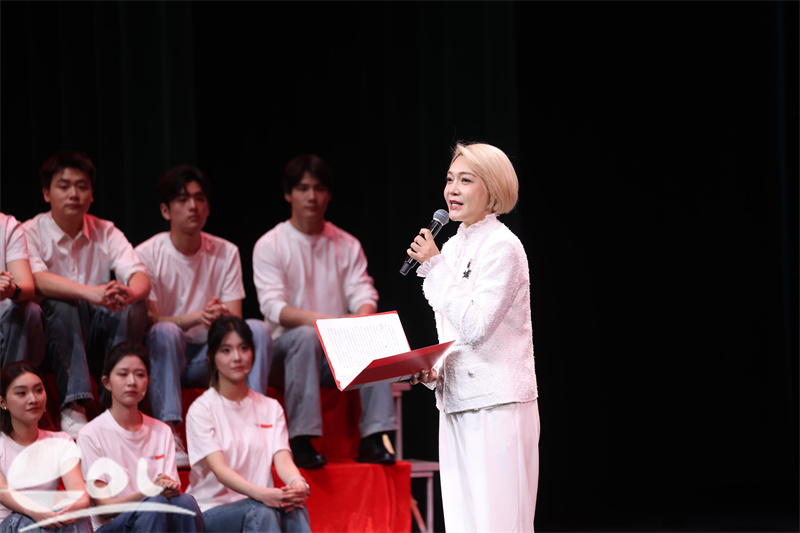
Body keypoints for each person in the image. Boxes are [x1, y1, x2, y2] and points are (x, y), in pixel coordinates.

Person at [406, 142, 540, 532]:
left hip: (497, 405)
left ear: (493, 189)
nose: (453, 189)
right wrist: (434, 370)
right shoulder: (451, 246)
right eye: (450, 179)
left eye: (466, 180)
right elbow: (454, 333)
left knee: (498, 523)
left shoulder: (503, 246)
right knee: (464, 524)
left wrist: (434, 266)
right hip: (456, 403)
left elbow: (477, 327)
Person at [252, 154, 396, 469]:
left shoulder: (346, 243)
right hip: (285, 353)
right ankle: (301, 440)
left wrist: (362, 319)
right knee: (306, 336)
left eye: (319, 189)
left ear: (329, 195)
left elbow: (363, 293)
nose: (312, 197)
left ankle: (375, 437)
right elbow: (273, 307)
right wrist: (329, 323)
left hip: (333, 353)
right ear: (289, 194)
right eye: (303, 188)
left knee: (374, 328)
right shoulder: (270, 244)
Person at [135, 164, 272, 467]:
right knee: (165, 332)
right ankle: (169, 431)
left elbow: (235, 322)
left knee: (258, 330)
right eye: (183, 199)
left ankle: (254, 421)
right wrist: (198, 317)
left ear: (208, 208)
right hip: (166, 358)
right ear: (165, 210)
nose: (193, 206)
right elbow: (150, 320)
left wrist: (219, 317)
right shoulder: (147, 253)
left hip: (209, 358)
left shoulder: (226, 251)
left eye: (199, 199)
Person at [23, 150, 150, 439]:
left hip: (95, 330)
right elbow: (37, 280)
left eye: (82, 186)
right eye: (64, 186)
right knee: (64, 303)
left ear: (91, 195)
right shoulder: (30, 231)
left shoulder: (106, 230)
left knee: (134, 306)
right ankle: (74, 405)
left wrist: (129, 293)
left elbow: (139, 275)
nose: (74, 194)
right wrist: (90, 293)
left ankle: (115, 403)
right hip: (50, 333)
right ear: (46, 193)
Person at [185, 316, 310, 532]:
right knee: (260, 511)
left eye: (244, 348)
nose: (237, 357)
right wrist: (261, 494)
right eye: (226, 350)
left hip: (260, 505)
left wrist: (298, 483)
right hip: (211, 511)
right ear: (211, 358)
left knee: (294, 507)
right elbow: (221, 471)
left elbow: (283, 460)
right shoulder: (201, 410)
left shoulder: (270, 407)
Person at [76, 341, 204, 532]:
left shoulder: (162, 431)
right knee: (153, 505)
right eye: (123, 374)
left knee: (185, 501)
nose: (132, 382)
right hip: (112, 527)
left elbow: (169, 492)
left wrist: (169, 489)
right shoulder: (90, 434)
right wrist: (149, 493)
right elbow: (104, 508)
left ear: (148, 381)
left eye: (139, 374)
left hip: (156, 517)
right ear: (107, 382)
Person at [0, 362, 92, 532]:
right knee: (32, 521)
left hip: (48, 519)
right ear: (2, 402)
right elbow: (2, 490)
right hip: (9, 524)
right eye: (22, 393)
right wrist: (35, 510)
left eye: (38, 390)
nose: (33, 399)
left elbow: (80, 497)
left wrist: (72, 508)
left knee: (77, 515)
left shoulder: (61, 442)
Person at [0, 213, 45, 370]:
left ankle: (15, 381)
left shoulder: (7, 226)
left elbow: (27, 286)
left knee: (30, 310)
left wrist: (9, 290)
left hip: (4, 329)